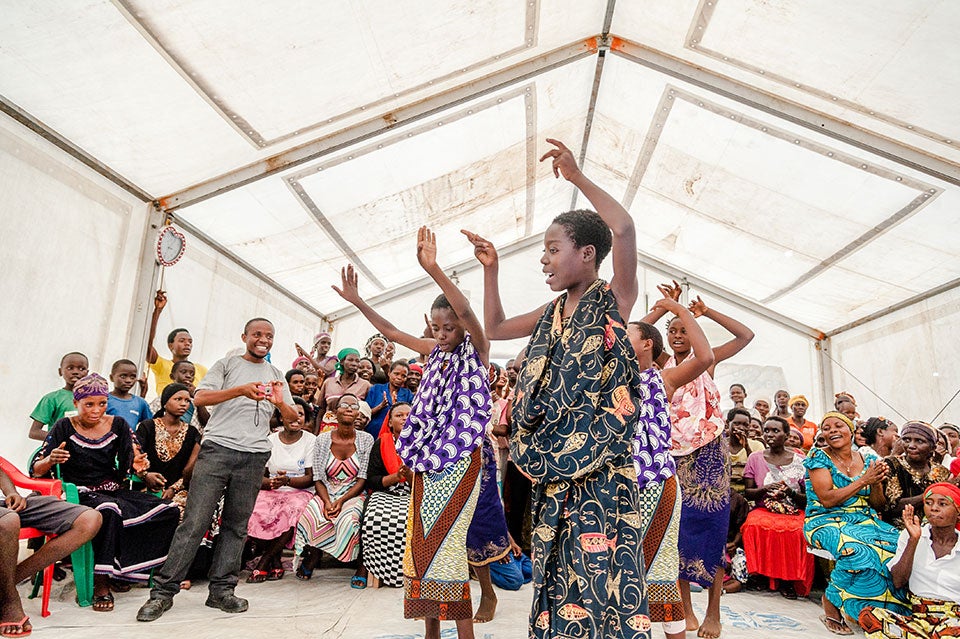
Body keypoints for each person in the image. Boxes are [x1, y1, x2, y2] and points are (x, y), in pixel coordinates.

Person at [465, 138, 649, 638]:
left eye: (553, 249)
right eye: (543, 251)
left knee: (601, 576)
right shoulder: (550, 314)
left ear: (587, 254)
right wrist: (491, 269)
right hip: (551, 469)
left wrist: (577, 178)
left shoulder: (613, 301)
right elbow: (497, 325)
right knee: (554, 571)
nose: (544, 260)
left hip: (602, 473)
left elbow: (625, 227)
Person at [333, 226, 490, 639]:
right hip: (426, 460)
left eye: (448, 328)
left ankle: (466, 633)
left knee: (449, 545)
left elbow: (468, 311)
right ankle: (431, 634)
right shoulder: (433, 353)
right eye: (435, 328)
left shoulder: (476, 348)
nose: (440, 335)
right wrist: (358, 302)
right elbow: (391, 332)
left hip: (460, 460)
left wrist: (434, 268)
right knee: (421, 547)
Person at [136, 318, 298, 622]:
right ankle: (162, 593)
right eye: (257, 334)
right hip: (218, 450)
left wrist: (281, 403)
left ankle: (222, 591)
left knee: (236, 526)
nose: (263, 339)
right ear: (245, 336)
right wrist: (240, 391)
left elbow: (292, 420)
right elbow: (200, 397)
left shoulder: (276, 375)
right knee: (194, 522)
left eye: (269, 336)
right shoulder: (226, 365)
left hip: (253, 456)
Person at [641, 285, 754, 639]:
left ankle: (713, 613)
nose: (677, 336)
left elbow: (746, 334)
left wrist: (701, 313)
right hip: (670, 456)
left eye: (684, 330)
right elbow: (633, 339)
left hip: (708, 457)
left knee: (711, 529)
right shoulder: (660, 366)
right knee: (677, 531)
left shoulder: (708, 361)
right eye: (672, 332)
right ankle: (685, 610)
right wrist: (663, 309)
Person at [32, 374, 180, 612]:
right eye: (88, 404)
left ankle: (127, 571)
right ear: (76, 403)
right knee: (108, 511)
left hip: (113, 488)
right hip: (77, 493)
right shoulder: (64, 426)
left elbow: (134, 457)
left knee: (168, 511)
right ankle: (101, 583)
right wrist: (51, 459)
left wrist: (144, 472)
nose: (96, 410)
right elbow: (37, 468)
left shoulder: (118, 424)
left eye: (101, 403)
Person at [627, 298, 715, 639]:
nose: (619, 338)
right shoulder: (609, 378)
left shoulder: (662, 379)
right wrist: (659, 311)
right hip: (618, 487)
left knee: (660, 569)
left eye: (630, 336)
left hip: (655, 484)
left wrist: (680, 311)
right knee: (622, 571)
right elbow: (626, 333)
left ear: (647, 345)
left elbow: (705, 358)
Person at [804, 412, 909, 634]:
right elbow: (827, 499)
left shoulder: (869, 460)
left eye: (838, 426)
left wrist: (877, 483)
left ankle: (878, 610)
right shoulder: (818, 457)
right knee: (859, 550)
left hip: (865, 519)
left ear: (851, 431)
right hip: (825, 519)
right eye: (826, 427)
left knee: (900, 545)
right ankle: (831, 601)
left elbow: (878, 505)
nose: (832, 430)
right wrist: (864, 480)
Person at [0, 460, 101, 636]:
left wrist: (12, 493)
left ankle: (6, 584)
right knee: (8, 521)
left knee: (89, 519)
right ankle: (9, 601)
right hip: (5, 517)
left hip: (5, 507)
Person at [858, 484, 960, 638]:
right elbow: (898, 581)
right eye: (929, 502)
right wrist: (913, 540)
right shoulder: (911, 535)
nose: (934, 508)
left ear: (958, 512)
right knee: (871, 615)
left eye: (943, 504)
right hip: (919, 620)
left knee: (950, 633)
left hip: (954, 620)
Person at [295, 393, 372, 583]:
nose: (349, 409)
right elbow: (318, 477)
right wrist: (328, 501)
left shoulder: (366, 439)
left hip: (354, 492)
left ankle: (351, 561)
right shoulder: (322, 439)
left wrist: (340, 502)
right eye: (344, 405)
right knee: (312, 515)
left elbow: (362, 478)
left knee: (349, 519)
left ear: (358, 414)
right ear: (334, 412)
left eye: (354, 407)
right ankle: (313, 555)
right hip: (326, 490)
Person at [741, 416, 812, 600]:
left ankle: (787, 580)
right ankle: (761, 575)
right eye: (767, 431)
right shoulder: (755, 458)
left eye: (776, 431)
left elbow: (809, 498)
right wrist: (764, 489)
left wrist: (790, 492)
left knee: (797, 531)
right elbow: (748, 493)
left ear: (787, 435)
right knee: (753, 525)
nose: (770, 435)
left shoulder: (801, 461)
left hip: (792, 510)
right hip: (764, 508)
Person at [246, 397, 315, 583]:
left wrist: (288, 481)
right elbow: (259, 476)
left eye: (300, 414)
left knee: (290, 513)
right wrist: (272, 483)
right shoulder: (269, 441)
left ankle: (265, 562)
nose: (295, 417)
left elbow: (311, 477)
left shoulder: (311, 441)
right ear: (281, 417)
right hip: (272, 489)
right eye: (290, 413)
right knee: (251, 511)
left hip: (300, 491)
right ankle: (276, 560)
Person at [360, 402, 413, 588]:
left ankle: (410, 572)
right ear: (390, 422)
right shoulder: (382, 443)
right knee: (375, 519)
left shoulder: (424, 444)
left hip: (414, 494)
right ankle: (378, 569)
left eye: (409, 414)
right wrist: (396, 477)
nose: (405, 418)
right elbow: (371, 479)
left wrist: (409, 477)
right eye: (399, 415)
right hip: (385, 492)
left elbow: (427, 482)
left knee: (409, 520)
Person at [135, 383, 201, 517]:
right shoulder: (147, 427)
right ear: (165, 403)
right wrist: (146, 475)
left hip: (178, 491)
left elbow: (189, 470)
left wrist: (173, 489)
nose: (184, 404)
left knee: (178, 512)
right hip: (145, 485)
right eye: (178, 399)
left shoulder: (192, 433)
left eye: (187, 401)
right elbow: (136, 457)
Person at [880, 421, 951, 529]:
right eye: (906, 440)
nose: (911, 446)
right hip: (896, 529)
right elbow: (893, 507)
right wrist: (936, 491)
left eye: (919, 441)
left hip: (934, 529)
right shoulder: (892, 464)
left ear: (932, 447)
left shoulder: (942, 472)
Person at [145, 290, 207, 396]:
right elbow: (146, 342)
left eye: (190, 341)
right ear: (170, 346)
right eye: (182, 341)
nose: (187, 344)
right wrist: (158, 311)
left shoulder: (201, 369)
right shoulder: (162, 365)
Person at [28, 352, 88, 441]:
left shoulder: (95, 398)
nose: (75, 372)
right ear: (60, 371)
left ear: (87, 373)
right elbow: (34, 432)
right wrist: (59, 438)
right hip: (59, 451)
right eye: (70, 368)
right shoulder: (52, 398)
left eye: (81, 368)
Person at [316, 348, 370, 434]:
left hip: (352, 430)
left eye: (357, 361)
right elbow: (321, 410)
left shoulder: (365, 385)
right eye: (350, 360)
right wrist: (316, 433)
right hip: (328, 428)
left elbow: (367, 411)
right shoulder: (329, 382)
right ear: (341, 362)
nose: (354, 364)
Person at [147, 360, 209, 431]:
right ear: (172, 377)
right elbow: (149, 419)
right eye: (183, 372)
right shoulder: (163, 398)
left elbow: (207, 423)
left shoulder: (196, 401)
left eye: (192, 374)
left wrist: (197, 397)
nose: (188, 376)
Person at [365, 361, 413, 438]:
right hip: (374, 432)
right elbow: (366, 413)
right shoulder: (376, 389)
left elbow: (410, 416)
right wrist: (381, 406)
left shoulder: (407, 394)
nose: (399, 378)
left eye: (403, 376)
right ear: (389, 373)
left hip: (397, 436)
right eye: (396, 374)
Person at [727, 408, 764, 495]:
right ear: (727, 423)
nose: (741, 428)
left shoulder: (757, 446)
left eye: (745, 425)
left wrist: (746, 447)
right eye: (736, 423)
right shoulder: (719, 445)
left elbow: (759, 471)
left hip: (747, 494)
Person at [107, 359, 152, 426]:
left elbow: (149, 425)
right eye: (123, 376)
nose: (128, 380)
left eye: (132, 377)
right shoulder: (105, 400)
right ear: (111, 377)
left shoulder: (141, 403)